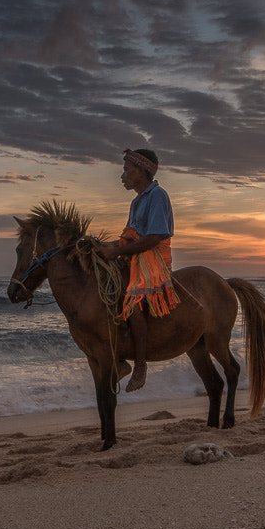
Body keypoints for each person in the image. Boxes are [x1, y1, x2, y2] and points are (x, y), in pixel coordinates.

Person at [96, 149, 179, 392]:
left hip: (153, 256)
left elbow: (152, 238)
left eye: (126, 170)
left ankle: (140, 365)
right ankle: (118, 359)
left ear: (142, 170)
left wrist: (116, 252)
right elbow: (131, 237)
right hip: (136, 254)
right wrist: (106, 247)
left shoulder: (157, 196)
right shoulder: (136, 201)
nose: (123, 175)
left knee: (133, 301)